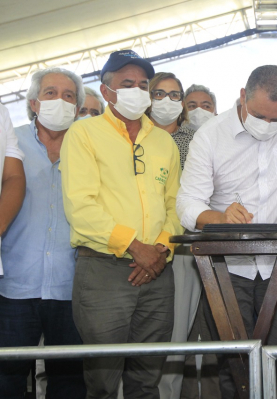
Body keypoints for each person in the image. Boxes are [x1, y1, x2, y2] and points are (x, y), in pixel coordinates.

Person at [177, 64, 277, 399]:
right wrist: (218, 215)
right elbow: (187, 203)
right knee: (232, 365)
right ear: (242, 96)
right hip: (226, 267)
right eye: (261, 116)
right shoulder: (210, 135)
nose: (270, 125)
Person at [60, 49, 183, 398]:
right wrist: (135, 247)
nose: (137, 91)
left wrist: (160, 249)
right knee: (102, 380)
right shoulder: (83, 135)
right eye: (126, 83)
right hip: (103, 270)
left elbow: (175, 205)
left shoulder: (163, 142)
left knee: (147, 377)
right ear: (107, 90)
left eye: (143, 84)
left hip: (158, 270)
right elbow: (81, 206)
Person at [0, 67, 85, 399]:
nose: (59, 101)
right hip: (14, 287)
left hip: (71, 287)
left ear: (77, 109)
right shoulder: (11, 144)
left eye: (68, 96)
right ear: (34, 103)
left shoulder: (90, 150)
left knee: (69, 382)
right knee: (7, 380)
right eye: (50, 93)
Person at [146, 72, 195, 170]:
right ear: (148, 99)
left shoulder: (195, 140)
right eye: (159, 94)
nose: (167, 100)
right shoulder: (136, 136)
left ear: (182, 103)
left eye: (174, 95)